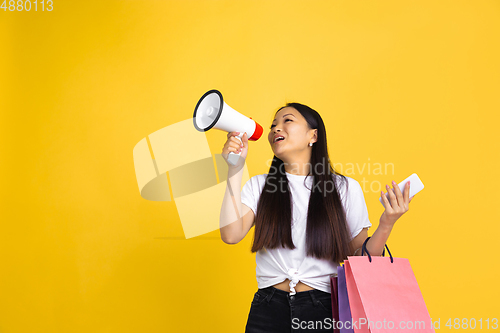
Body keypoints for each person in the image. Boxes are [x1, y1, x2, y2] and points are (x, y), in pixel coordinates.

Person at [219, 103, 414, 332]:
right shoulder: (260, 186)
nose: (275, 129)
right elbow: (231, 234)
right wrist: (234, 168)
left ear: (313, 135)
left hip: (321, 310)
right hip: (267, 309)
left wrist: (386, 223)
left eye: (287, 121)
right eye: (273, 125)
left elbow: (359, 258)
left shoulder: (345, 188)